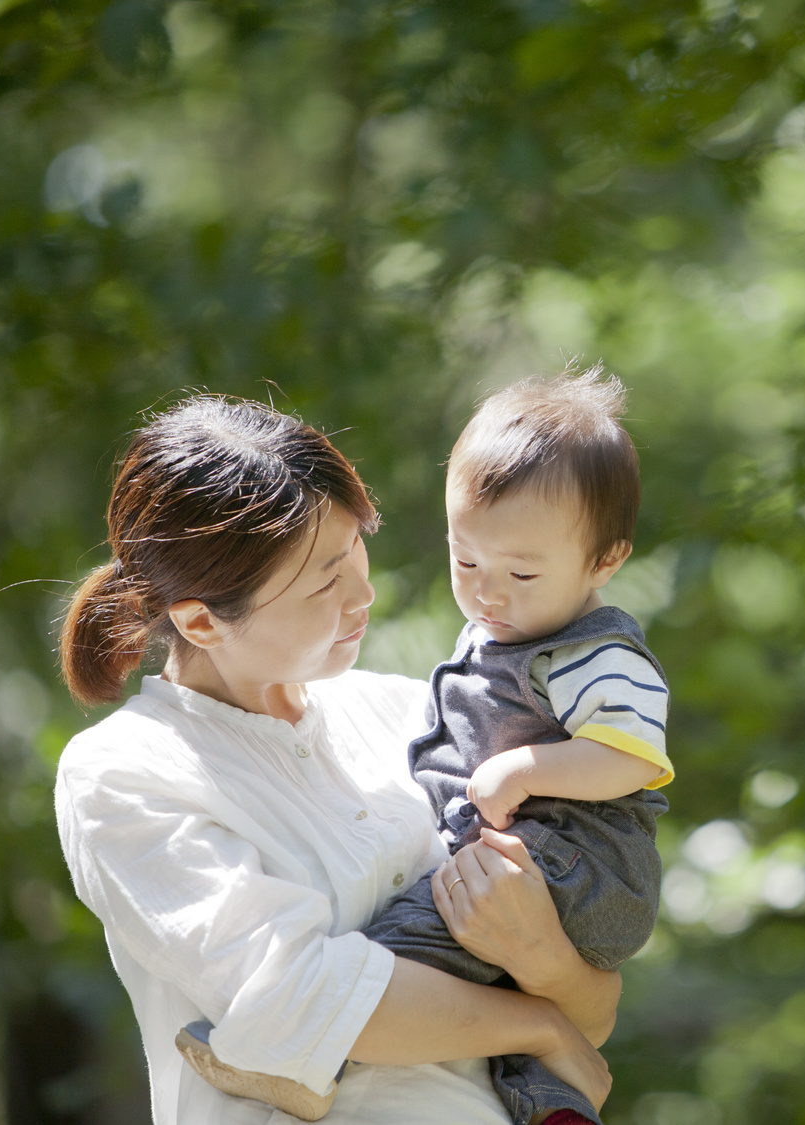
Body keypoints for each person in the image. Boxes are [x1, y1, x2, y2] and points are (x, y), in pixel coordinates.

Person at [53, 396, 615, 1125]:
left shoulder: (418, 714)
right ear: (200, 619)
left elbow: (593, 1008)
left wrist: (546, 955)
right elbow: (295, 996)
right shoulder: (127, 770)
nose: (363, 593)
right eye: (324, 580)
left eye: (355, 549)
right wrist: (536, 1025)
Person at [186, 369, 672, 1125]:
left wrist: (525, 767)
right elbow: (568, 1007)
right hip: (537, 859)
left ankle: (307, 1059)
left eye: (521, 572)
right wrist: (545, 1015)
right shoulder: (131, 770)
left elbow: (635, 754)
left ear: (605, 561)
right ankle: (552, 1105)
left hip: (580, 857)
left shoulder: (592, 653)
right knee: (484, 974)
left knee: (420, 928)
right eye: (465, 561)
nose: (488, 593)